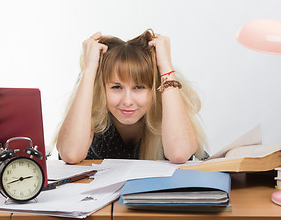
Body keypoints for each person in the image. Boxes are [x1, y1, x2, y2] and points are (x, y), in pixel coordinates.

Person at [56, 29, 207, 164]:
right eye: (116, 87)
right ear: (101, 89)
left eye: (139, 87)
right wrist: (89, 70)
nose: (127, 101)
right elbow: (70, 154)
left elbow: (179, 154)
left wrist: (166, 66)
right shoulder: (93, 112)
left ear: (154, 89)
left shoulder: (168, 109)